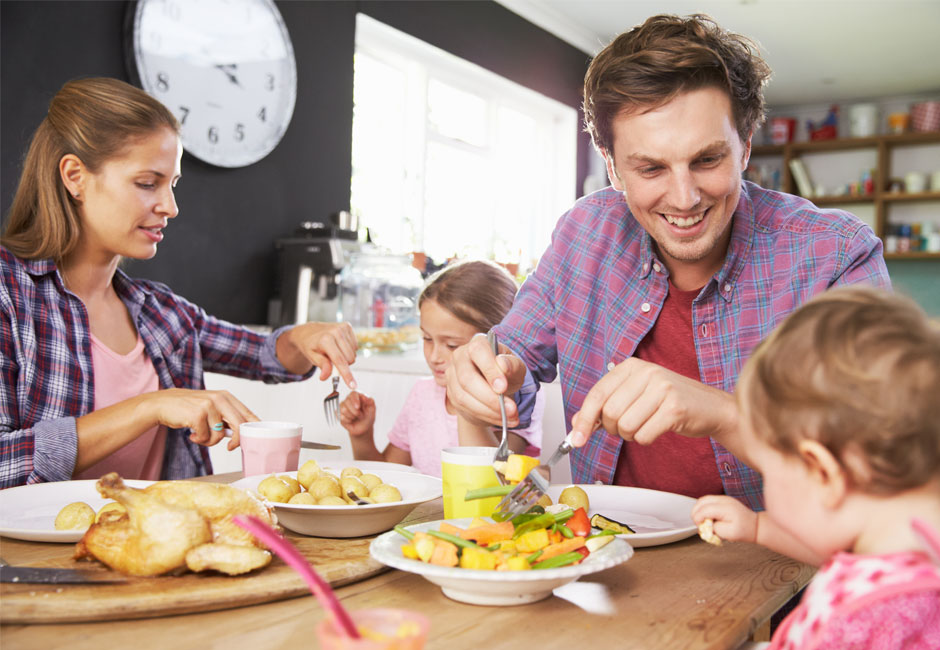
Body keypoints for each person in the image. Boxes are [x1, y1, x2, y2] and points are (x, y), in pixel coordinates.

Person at [444, 14, 891, 508]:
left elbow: (881, 455)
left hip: (784, 569)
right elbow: (513, 361)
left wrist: (724, 414)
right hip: (605, 555)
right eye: (651, 167)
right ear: (612, 166)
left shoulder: (837, 254)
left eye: (706, 160)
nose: (684, 198)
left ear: (744, 147)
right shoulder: (583, 235)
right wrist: (484, 377)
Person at [0, 77, 357, 489]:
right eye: (147, 183)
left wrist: (305, 337)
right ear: (75, 176)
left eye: (172, 184)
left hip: (163, 548)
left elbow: (263, 354)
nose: (170, 207)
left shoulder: (160, 312)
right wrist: (150, 407)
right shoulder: (11, 296)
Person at [692, 286, 940, 649]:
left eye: (768, 469)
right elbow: (843, 551)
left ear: (822, 472)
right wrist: (759, 527)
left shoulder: (859, 619)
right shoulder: (909, 547)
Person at [339, 260, 543, 477]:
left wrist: (464, 405)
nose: (435, 356)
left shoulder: (516, 397)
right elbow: (387, 478)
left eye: (452, 345)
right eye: (427, 339)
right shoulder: (422, 395)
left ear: (496, 344)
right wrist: (362, 436)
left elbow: (492, 482)